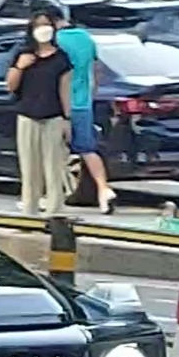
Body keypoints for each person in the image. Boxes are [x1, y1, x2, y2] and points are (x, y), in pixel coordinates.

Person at [5, 9, 75, 218]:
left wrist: (67, 119)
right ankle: (29, 210)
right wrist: (20, 67)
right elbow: (10, 85)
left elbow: (65, 90)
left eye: (47, 25)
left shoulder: (61, 58)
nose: (43, 30)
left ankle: (54, 211)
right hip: (27, 116)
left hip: (52, 117)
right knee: (29, 168)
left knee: (53, 167)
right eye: (38, 26)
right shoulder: (23, 55)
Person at [53, 15, 116, 215]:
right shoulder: (86, 38)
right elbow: (96, 71)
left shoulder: (55, 41)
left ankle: (48, 195)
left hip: (58, 104)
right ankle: (103, 189)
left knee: (52, 149)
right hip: (83, 102)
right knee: (87, 149)